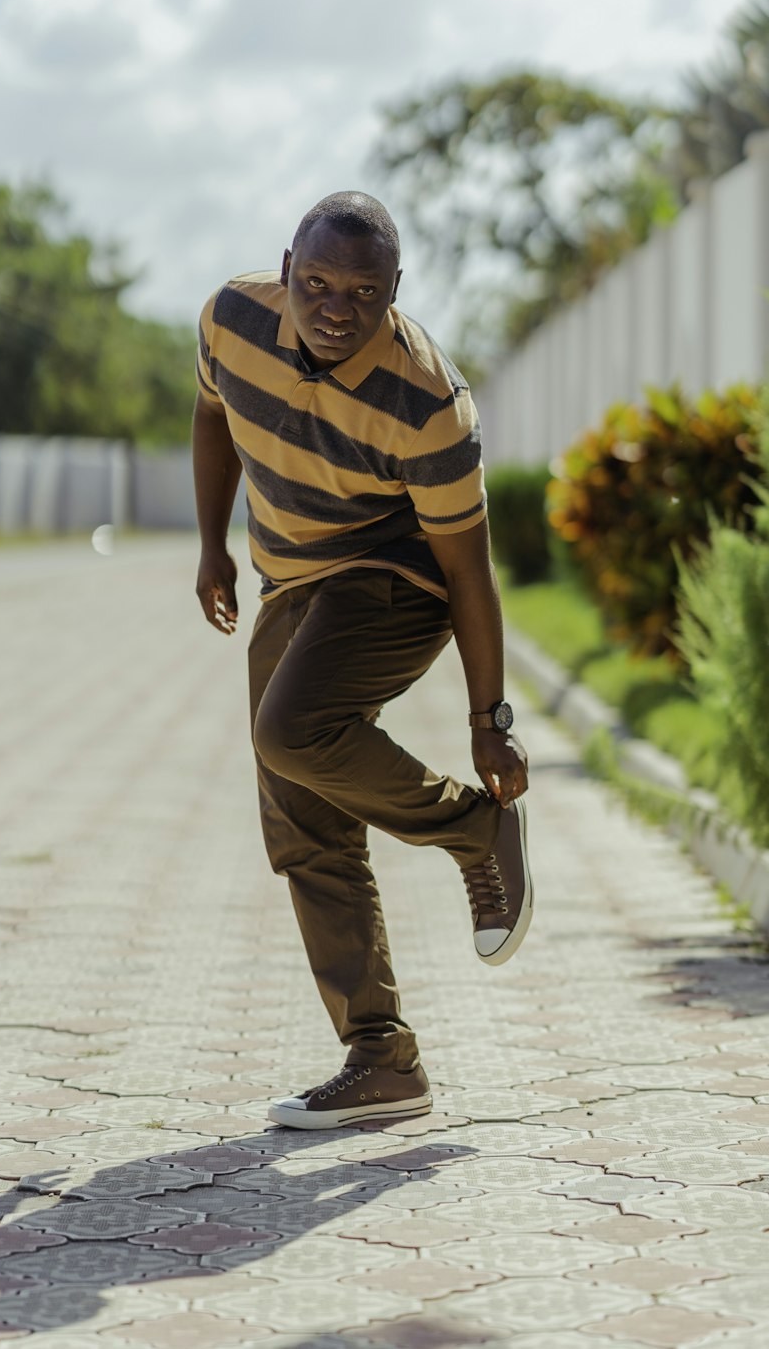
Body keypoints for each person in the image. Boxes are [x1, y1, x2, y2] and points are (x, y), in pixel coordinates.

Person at [192, 191, 531, 1130]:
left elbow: (472, 574)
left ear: (395, 293)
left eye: (365, 292)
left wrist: (488, 727)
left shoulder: (428, 400)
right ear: (287, 266)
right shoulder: (231, 318)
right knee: (300, 818)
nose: (336, 308)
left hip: (397, 575)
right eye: (318, 284)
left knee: (291, 730)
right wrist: (212, 545)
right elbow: (212, 415)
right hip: (290, 579)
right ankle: (381, 1056)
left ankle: (473, 830)